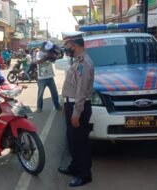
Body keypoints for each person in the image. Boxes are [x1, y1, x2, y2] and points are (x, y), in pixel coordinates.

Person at [58, 32, 94, 187]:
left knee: (81, 143)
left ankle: (85, 174)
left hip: (79, 106)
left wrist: (76, 112)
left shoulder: (84, 62)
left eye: (67, 44)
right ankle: (75, 166)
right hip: (71, 104)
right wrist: (66, 105)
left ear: (74, 44)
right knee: (72, 140)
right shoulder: (76, 61)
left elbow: (81, 90)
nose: (66, 47)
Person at [34, 41, 61, 113]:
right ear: (43, 47)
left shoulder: (51, 52)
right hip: (41, 78)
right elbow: (38, 62)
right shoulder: (39, 53)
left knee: (54, 93)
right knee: (40, 94)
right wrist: (46, 57)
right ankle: (39, 108)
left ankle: (57, 106)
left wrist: (56, 55)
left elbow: (57, 58)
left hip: (50, 77)